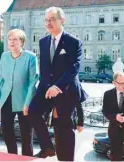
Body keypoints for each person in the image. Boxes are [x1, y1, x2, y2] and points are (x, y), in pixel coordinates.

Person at [27, 7, 84, 161]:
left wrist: (57, 86)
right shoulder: (43, 41)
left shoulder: (73, 42)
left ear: (62, 20)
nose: (48, 23)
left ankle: (66, 159)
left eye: (52, 19)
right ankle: (47, 147)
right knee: (33, 111)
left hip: (66, 90)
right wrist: (43, 88)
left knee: (64, 128)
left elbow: (74, 68)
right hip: (46, 88)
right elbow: (46, 68)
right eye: (46, 20)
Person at [0, 28, 38, 156]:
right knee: (6, 131)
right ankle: (12, 157)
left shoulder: (31, 57)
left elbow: (33, 82)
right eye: (9, 39)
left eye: (15, 39)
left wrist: (28, 102)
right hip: (6, 99)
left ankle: (26, 159)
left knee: (26, 135)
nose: (11, 42)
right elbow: (0, 79)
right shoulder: (4, 56)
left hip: (24, 101)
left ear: (22, 42)